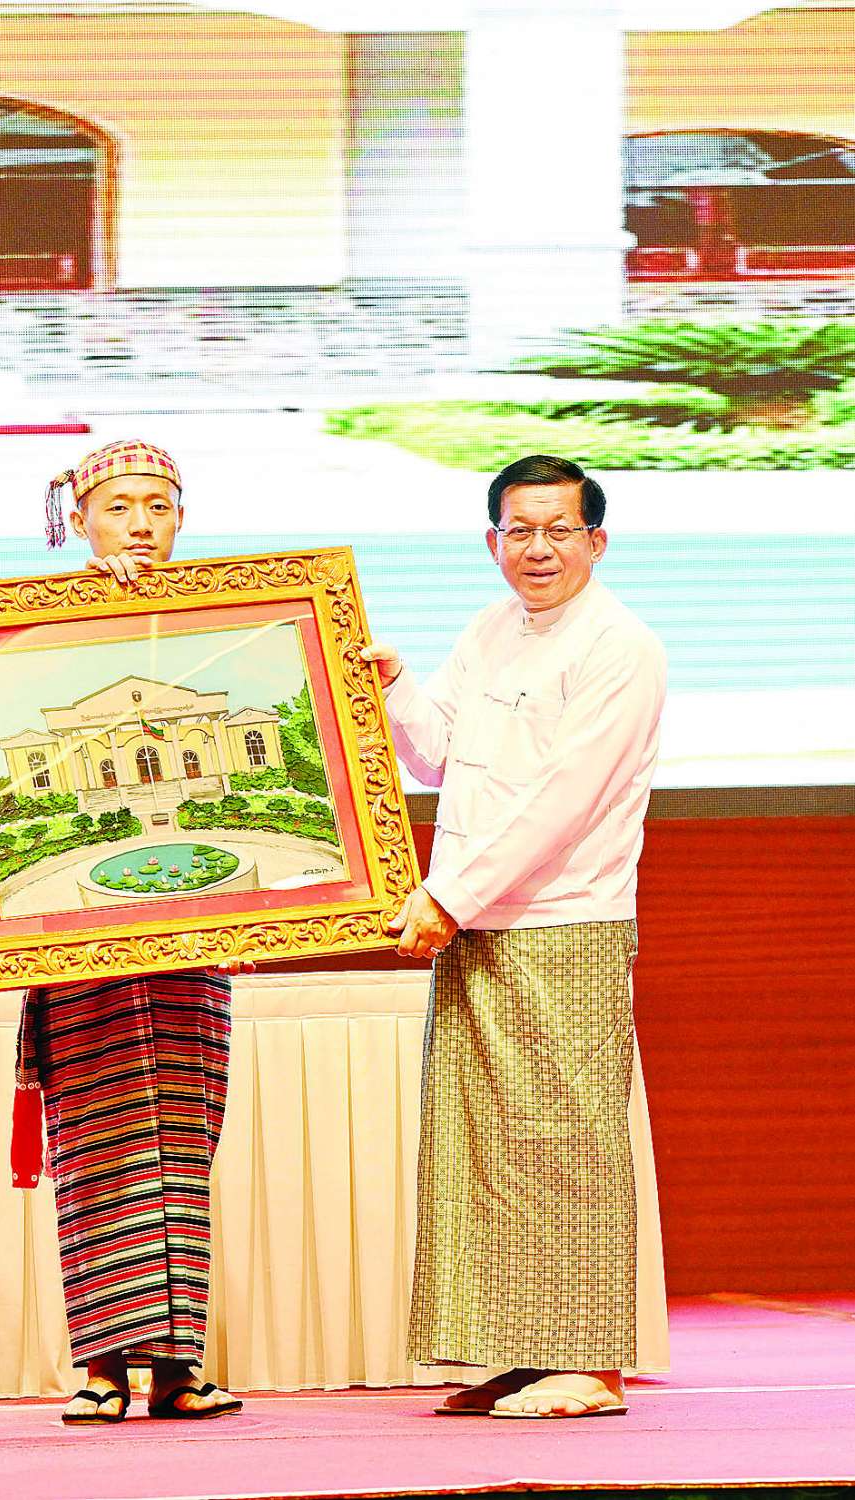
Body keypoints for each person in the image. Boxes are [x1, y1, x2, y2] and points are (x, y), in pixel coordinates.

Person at [0, 438, 246, 1426]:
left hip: (192, 936)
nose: (139, 524)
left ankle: (177, 1369)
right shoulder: (31, 633)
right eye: (118, 506)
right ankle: (102, 1367)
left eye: (158, 506)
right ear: (77, 520)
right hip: (72, 937)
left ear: (181, 518)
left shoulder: (229, 626)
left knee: (180, 1148)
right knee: (95, 1149)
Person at [362, 454, 667, 1421]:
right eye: (519, 531)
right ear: (492, 541)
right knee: (483, 1149)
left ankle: (591, 1363)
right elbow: (439, 755)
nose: (538, 549)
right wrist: (394, 684)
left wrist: (445, 895)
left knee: (567, 1144)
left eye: (558, 530)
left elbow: (560, 801)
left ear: (595, 541)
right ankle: (519, 1350)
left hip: (564, 920)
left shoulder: (620, 646)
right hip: (475, 919)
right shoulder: (490, 628)